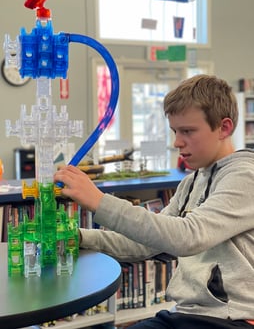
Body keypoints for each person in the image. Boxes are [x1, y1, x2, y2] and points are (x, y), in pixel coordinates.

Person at [54, 74, 254, 329]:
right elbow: (146, 242)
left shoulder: (245, 176)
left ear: (224, 128)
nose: (177, 142)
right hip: (186, 314)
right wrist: (78, 237)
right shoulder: (192, 181)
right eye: (174, 131)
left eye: (188, 131)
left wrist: (99, 202)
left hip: (231, 320)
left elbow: (188, 237)